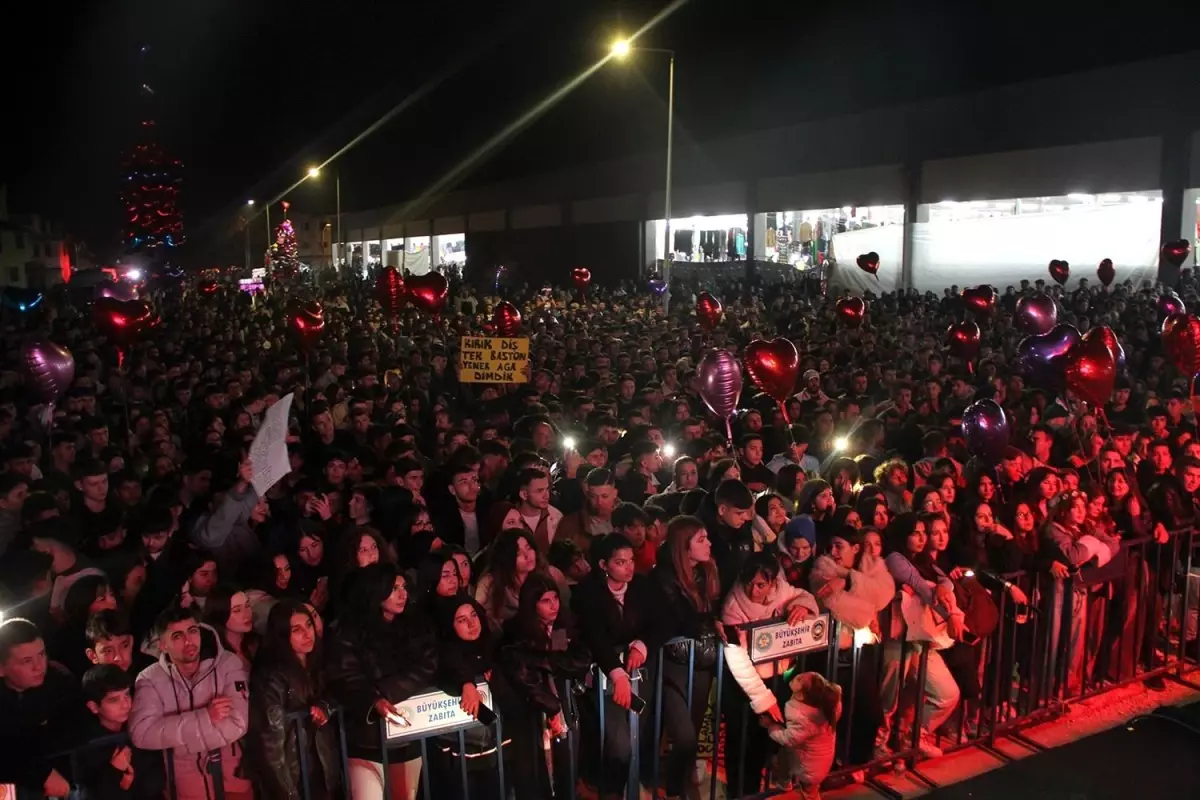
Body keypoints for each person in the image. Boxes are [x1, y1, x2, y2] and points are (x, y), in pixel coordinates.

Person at [324, 562, 436, 800]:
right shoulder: (347, 630)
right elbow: (345, 677)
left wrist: (385, 691)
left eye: (404, 587)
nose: (402, 594)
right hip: (365, 740)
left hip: (407, 732)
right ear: (376, 590)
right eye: (394, 588)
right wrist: (372, 700)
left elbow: (427, 666)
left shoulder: (416, 626)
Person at [129, 605, 252, 800]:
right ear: (162, 645)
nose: (188, 641)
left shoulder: (228, 663)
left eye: (192, 631)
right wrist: (205, 717)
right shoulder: (149, 678)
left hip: (232, 776)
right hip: (184, 785)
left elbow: (238, 722)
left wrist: (180, 744)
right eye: (177, 636)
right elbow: (142, 733)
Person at [571, 533, 662, 797]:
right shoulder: (588, 593)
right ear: (603, 565)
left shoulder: (643, 586)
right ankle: (609, 792)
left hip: (642, 671)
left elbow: (663, 622)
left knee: (637, 737)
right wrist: (618, 673)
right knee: (619, 742)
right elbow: (595, 636)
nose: (629, 567)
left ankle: (630, 788)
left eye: (631, 560)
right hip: (604, 676)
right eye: (620, 562)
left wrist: (642, 644)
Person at [649, 515, 724, 799]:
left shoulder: (707, 572)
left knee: (691, 733)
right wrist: (707, 621)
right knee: (684, 736)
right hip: (673, 662)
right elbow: (679, 619)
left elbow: (709, 612)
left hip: (702, 659)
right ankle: (675, 789)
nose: (709, 543)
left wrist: (712, 620)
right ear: (684, 546)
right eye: (701, 539)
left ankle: (678, 787)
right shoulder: (662, 576)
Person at [497, 573, 590, 799]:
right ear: (532, 603)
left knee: (567, 767)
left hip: (566, 708)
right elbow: (522, 673)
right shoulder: (514, 632)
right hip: (530, 716)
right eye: (545, 601)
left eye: (555, 598)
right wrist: (552, 705)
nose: (553, 606)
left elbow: (582, 658)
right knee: (536, 777)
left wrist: (545, 660)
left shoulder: (564, 625)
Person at [246, 600, 339, 800]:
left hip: (320, 767)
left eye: (308, 625)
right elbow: (271, 741)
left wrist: (326, 706)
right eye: (297, 629)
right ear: (282, 634)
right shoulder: (271, 675)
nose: (307, 634)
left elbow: (336, 692)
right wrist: (287, 792)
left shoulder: (318, 662)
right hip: (292, 772)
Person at [0, 617, 77, 798]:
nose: (39, 666)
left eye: (42, 654)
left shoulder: (60, 681)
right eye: (26, 661)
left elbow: (73, 732)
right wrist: (41, 774)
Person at [74, 665, 165, 800]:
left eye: (127, 694)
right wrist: (114, 772)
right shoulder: (86, 746)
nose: (126, 704)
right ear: (94, 707)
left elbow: (157, 781)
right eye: (114, 700)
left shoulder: (139, 729)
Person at [764, 672, 841, 800]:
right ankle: (784, 783)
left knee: (810, 792)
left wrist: (770, 727)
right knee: (785, 755)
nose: (798, 676)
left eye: (800, 679)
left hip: (810, 769)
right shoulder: (826, 707)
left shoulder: (803, 719)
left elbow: (788, 738)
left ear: (800, 696)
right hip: (816, 760)